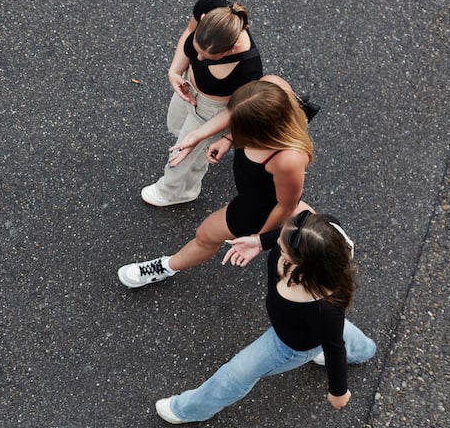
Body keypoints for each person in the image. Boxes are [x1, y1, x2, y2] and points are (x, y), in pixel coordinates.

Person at [155, 211, 377, 423]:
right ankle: (365, 350)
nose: (278, 245)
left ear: (304, 263)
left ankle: (187, 410)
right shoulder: (321, 235)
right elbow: (285, 234)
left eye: (282, 248)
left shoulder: (324, 309)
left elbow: (334, 347)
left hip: (290, 345)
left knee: (236, 374)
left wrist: (338, 392)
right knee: (336, 332)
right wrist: (260, 242)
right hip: (305, 325)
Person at [119, 76, 311, 287]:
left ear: (260, 130)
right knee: (302, 222)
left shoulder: (287, 160)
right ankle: (322, 242)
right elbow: (234, 111)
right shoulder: (272, 87)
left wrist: (258, 239)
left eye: (239, 126)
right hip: (266, 191)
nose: (231, 124)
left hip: (258, 206)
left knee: (205, 235)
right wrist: (206, 136)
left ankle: (166, 266)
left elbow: (285, 205)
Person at [141, 0, 262, 207]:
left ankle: (175, 191)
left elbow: (242, 108)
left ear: (233, 48)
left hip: (212, 111)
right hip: (188, 88)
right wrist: (175, 71)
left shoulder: (248, 69)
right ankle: (191, 166)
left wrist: (226, 137)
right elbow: (189, 31)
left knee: (184, 155)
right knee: (177, 128)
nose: (197, 59)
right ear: (204, 19)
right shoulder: (210, 8)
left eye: (208, 57)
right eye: (196, 50)